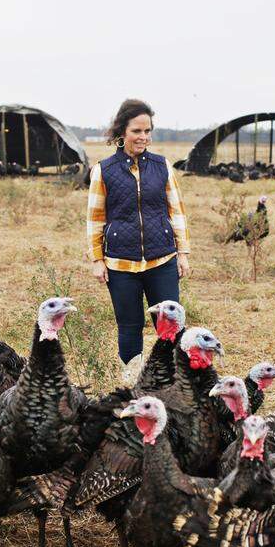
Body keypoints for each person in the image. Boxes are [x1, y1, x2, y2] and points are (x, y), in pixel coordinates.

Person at [86, 99, 191, 366]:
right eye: (137, 131)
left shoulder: (162, 166)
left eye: (147, 131)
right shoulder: (104, 170)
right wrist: (97, 260)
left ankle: (170, 379)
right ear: (122, 132)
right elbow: (96, 218)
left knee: (169, 326)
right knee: (130, 326)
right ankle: (132, 383)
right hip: (121, 265)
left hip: (162, 260)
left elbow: (176, 211)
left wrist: (183, 253)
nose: (143, 137)